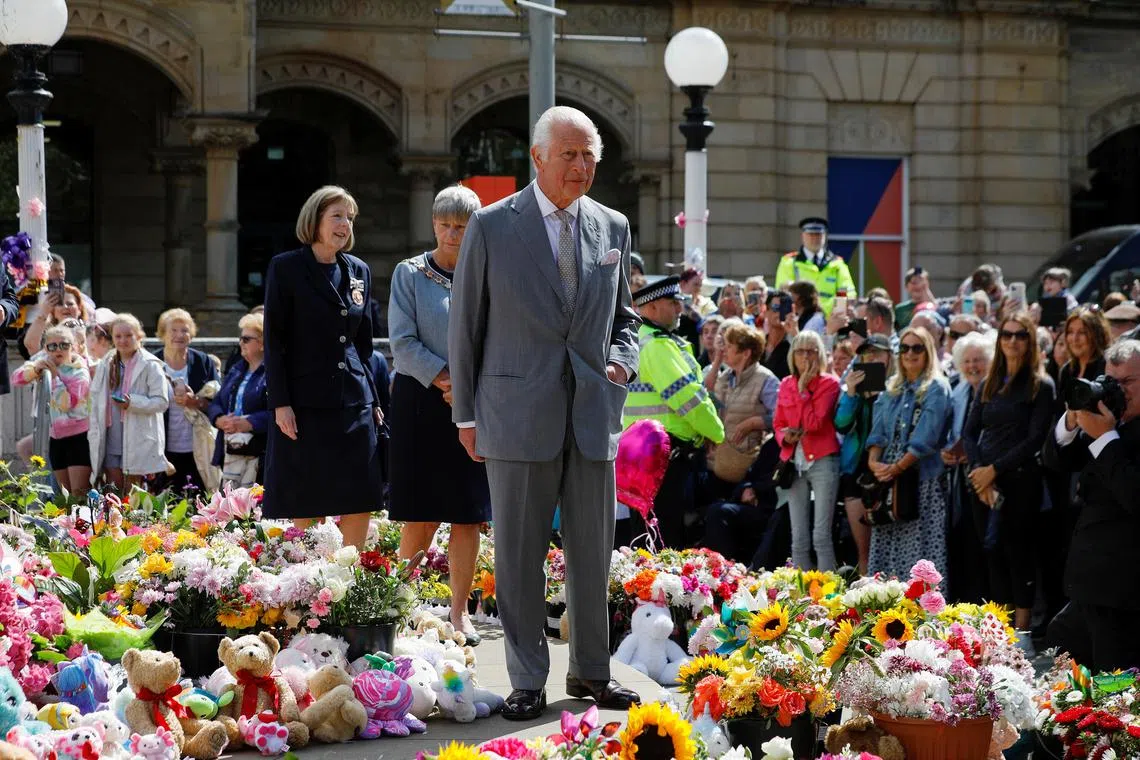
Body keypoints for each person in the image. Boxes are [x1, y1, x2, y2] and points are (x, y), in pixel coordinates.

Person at [448, 105, 641, 720]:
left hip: (591, 415)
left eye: (590, 156)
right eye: (570, 155)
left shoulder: (612, 225)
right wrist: (467, 415)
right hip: (513, 414)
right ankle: (528, 677)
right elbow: (466, 325)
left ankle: (591, 672)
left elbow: (626, 319)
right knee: (519, 555)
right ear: (537, 157)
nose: (581, 167)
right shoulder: (492, 225)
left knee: (592, 555)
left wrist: (621, 363)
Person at [388, 184, 490, 646]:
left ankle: (459, 612)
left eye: (462, 226)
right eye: (446, 224)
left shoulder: (488, 273)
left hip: (474, 406)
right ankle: (398, 606)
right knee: (423, 515)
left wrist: (469, 391)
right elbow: (402, 343)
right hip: (421, 403)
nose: (453, 233)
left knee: (468, 515)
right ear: (433, 224)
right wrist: (447, 381)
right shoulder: (408, 274)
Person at [263, 185, 384, 549]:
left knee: (361, 494)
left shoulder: (358, 270)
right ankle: (309, 584)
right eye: (337, 216)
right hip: (305, 404)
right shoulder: (286, 268)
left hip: (354, 403)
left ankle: (350, 582)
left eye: (349, 218)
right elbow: (274, 340)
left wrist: (374, 399)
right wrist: (280, 403)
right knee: (308, 495)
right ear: (314, 221)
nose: (344, 224)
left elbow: (364, 345)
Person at [1043, 339, 1140, 671]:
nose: (1118, 391)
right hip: (1089, 583)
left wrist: (1104, 438)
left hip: (1125, 591)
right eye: (1111, 382)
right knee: (1065, 653)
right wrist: (1073, 417)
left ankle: (1112, 721)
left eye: (1127, 382)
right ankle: (1081, 718)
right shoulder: (1106, 419)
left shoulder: (1109, 430)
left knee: (1117, 678)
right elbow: (1055, 460)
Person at [963, 312, 1055, 637]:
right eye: (1007, 335)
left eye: (1020, 335)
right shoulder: (990, 382)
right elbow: (970, 432)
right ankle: (997, 634)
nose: (1012, 341)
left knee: (1019, 555)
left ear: (1030, 341)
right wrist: (979, 473)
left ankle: (1023, 636)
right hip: (982, 484)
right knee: (992, 555)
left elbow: (1035, 439)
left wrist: (993, 470)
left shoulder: (1040, 386)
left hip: (1019, 481)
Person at [623, 276, 725, 548]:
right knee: (664, 536)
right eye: (673, 303)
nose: (680, 309)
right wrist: (715, 431)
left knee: (647, 535)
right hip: (663, 455)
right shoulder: (657, 345)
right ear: (653, 307)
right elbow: (687, 397)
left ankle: (641, 588)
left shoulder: (640, 338)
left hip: (643, 454)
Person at [865, 326, 952, 580]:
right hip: (887, 479)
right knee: (885, 546)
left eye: (917, 348)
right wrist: (874, 463)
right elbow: (878, 431)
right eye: (904, 348)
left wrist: (897, 468)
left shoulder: (937, 387)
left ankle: (924, 611)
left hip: (919, 479)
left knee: (919, 550)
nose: (910, 354)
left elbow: (926, 437)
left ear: (928, 352)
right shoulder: (891, 389)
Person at [773, 330, 841, 571]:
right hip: (794, 461)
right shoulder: (785, 384)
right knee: (798, 537)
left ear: (820, 354)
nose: (805, 356)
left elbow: (815, 424)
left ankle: (830, 595)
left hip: (822, 461)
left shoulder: (829, 383)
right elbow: (778, 424)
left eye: (811, 351)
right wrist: (785, 436)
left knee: (821, 536)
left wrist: (803, 391)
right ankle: (801, 597)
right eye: (800, 351)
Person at [88, 314, 171, 492]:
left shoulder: (150, 364)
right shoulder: (107, 362)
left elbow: (162, 402)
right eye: (118, 336)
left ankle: (133, 520)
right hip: (111, 432)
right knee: (114, 488)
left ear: (139, 337)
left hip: (138, 434)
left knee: (135, 490)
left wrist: (132, 403)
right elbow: (94, 398)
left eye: (128, 336)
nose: (123, 340)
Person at [834, 334, 894, 575]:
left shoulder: (896, 387)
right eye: (866, 355)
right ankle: (865, 594)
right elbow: (841, 424)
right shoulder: (852, 389)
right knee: (864, 549)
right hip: (855, 471)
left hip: (887, 469)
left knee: (887, 543)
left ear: (889, 357)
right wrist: (851, 393)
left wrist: (881, 396)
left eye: (877, 354)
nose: (871, 359)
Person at [942, 331, 994, 602]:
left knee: (984, 540)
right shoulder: (957, 390)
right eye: (968, 361)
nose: (973, 366)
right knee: (961, 537)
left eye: (979, 360)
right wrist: (947, 452)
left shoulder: (995, 389)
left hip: (988, 475)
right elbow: (949, 431)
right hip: (958, 478)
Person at [13, 323, 92, 493]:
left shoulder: (79, 372)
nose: (58, 349)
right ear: (45, 349)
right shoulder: (43, 363)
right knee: (63, 494)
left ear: (74, 347)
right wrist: (35, 370)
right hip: (55, 437)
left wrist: (54, 378)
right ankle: (66, 521)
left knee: (78, 492)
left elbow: (66, 404)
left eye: (64, 344)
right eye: (52, 345)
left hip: (79, 437)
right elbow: (16, 379)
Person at [706, 322, 779, 499]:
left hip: (745, 467)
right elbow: (707, 393)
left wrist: (755, 423)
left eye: (730, 347)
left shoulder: (766, 380)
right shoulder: (725, 376)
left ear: (746, 353)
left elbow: (781, 417)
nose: (725, 350)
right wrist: (717, 360)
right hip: (719, 463)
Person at [153, 309, 218, 493]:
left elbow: (219, 403)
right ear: (163, 334)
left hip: (198, 449)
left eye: (185, 330)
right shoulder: (153, 363)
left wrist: (195, 402)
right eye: (173, 330)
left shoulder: (202, 362)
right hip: (161, 449)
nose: (179, 335)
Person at [208, 313, 269, 488]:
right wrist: (220, 419)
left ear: (263, 343)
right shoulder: (237, 369)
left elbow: (279, 411)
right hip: (231, 451)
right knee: (229, 507)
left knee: (253, 510)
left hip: (258, 452)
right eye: (240, 338)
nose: (241, 343)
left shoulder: (273, 373)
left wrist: (250, 422)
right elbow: (216, 402)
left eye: (246, 339)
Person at [774, 217, 857, 317]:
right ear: (803, 236)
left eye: (818, 234)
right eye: (811, 234)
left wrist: (829, 312)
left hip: (831, 321)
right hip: (800, 321)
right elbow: (784, 294)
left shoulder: (837, 263)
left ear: (824, 236)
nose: (815, 238)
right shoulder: (789, 262)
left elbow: (848, 292)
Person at [22, 284, 90, 359]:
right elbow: (31, 345)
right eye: (60, 304)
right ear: (53, 311)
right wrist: (43, 314)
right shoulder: (47, 337)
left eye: (70, 304)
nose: (65, 307)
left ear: (79, 309)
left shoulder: (90, 333)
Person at [761, 290, 793, 379]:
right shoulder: (758, 344)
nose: (779, 312)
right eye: (776, 307)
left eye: (784, 308)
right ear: (766, 311)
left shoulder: (793, 345)